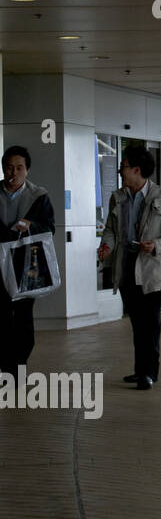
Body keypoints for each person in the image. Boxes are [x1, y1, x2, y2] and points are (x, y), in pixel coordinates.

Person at [97, 145, 161, 389]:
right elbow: (111, 231)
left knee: (151, 324)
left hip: (151, 271)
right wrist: (106, 246)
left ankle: (150, 373)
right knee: (137, 323)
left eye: (123, 167)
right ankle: (140, 370)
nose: (120, 172)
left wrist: (156, 244)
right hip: (125, 269)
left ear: (137, 170)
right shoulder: (118, 197)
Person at [0, 146, 56, 377]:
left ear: (28, 170)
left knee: (23, 320)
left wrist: (31, 225)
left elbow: (50, 228)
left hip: (26, 266)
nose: (14, 172)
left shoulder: (39, 195)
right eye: (9, 167)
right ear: (3, 168)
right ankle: (6, 368)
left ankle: (18, 366)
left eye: (19, 168)